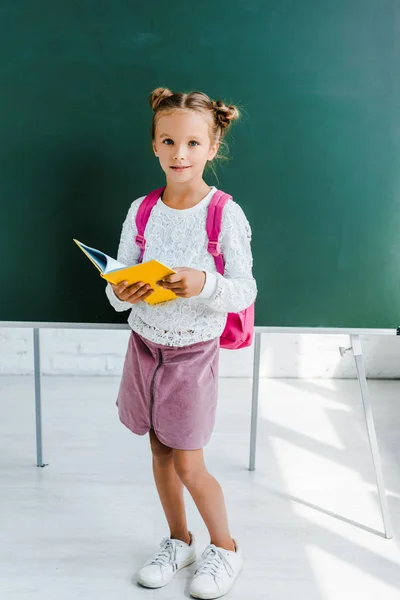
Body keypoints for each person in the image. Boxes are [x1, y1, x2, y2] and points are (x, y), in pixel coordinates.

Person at [106, 87, 257, 599]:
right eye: (168, 141)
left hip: (193, 353)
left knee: (190, 460)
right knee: (159, 453)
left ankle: (226, 547)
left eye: (193, 143)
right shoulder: (142, 210)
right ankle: (179, 540)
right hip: (145, 348)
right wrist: (121, 292)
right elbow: (120, 282)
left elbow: (245, 289)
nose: (179, 154)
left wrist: (204, 283)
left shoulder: (224, 214)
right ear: (154, 145)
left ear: (213, 147)